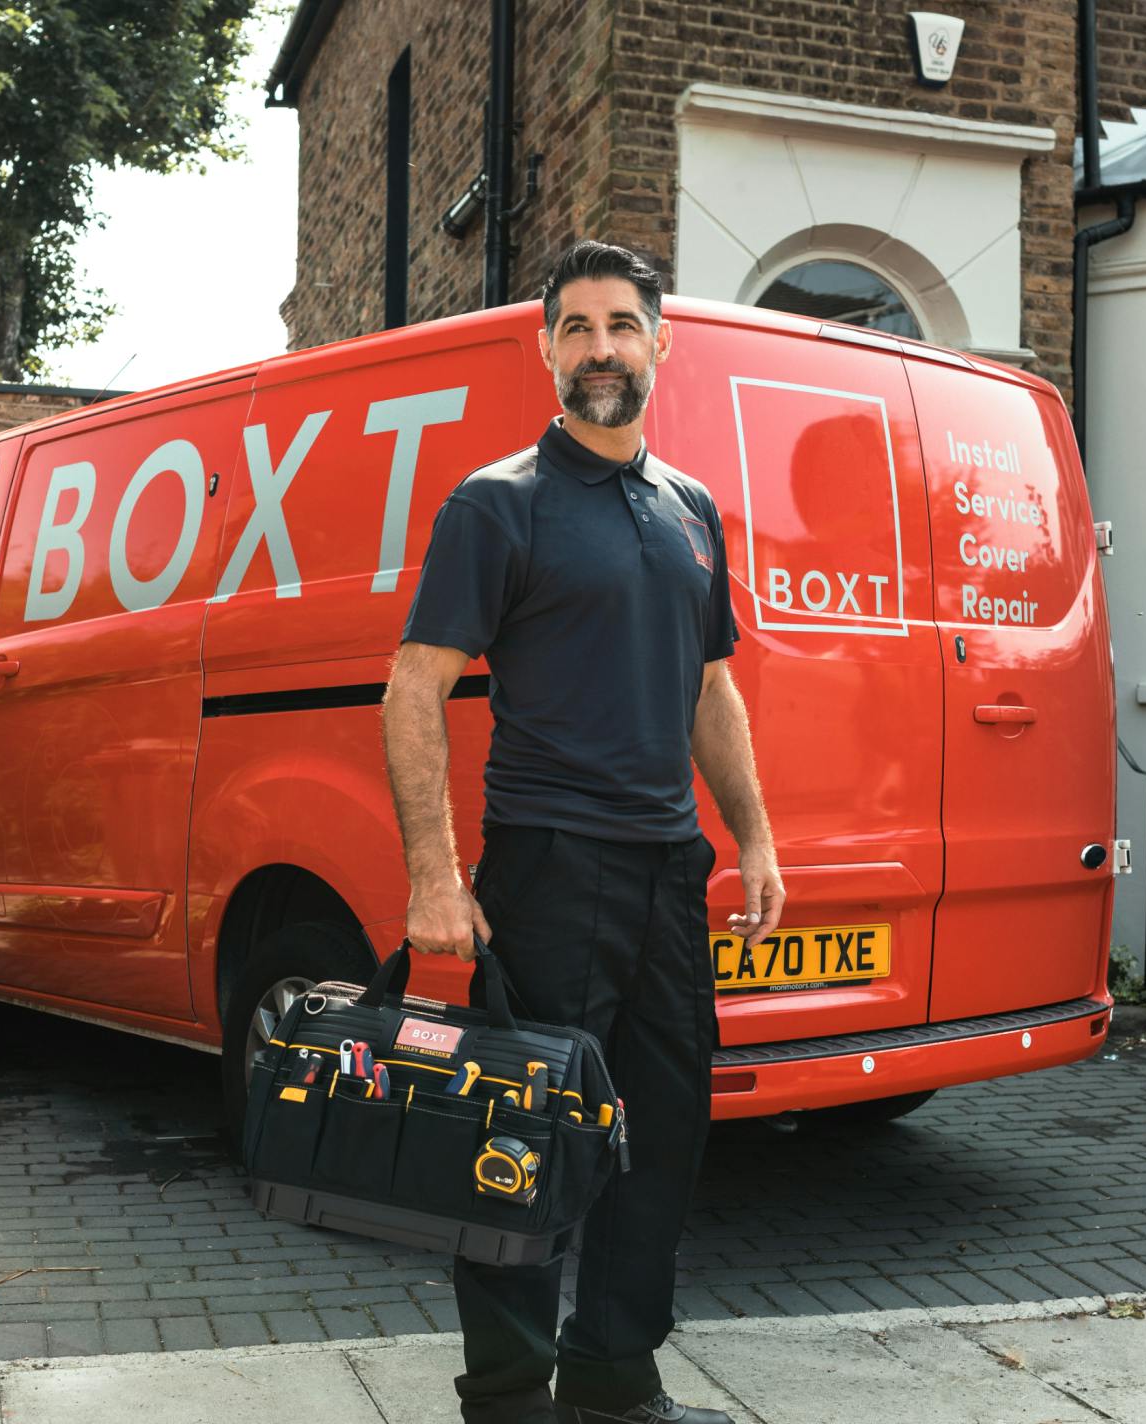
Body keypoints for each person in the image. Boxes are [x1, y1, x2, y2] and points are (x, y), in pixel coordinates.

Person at [381, 239, 785, 1424]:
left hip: (669, 873)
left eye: (620, 324)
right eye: (575, 327)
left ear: (662, 343)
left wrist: (752, 837)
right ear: (545, 347)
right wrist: (436, 876)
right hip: (549, 866)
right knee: (521, 1141)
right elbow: (414, 685)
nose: (600, 347)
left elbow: (711, 687)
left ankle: (614, 1385)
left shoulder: (691, 508)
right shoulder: (497, 503)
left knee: (658, 1142)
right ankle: (509, 1401)